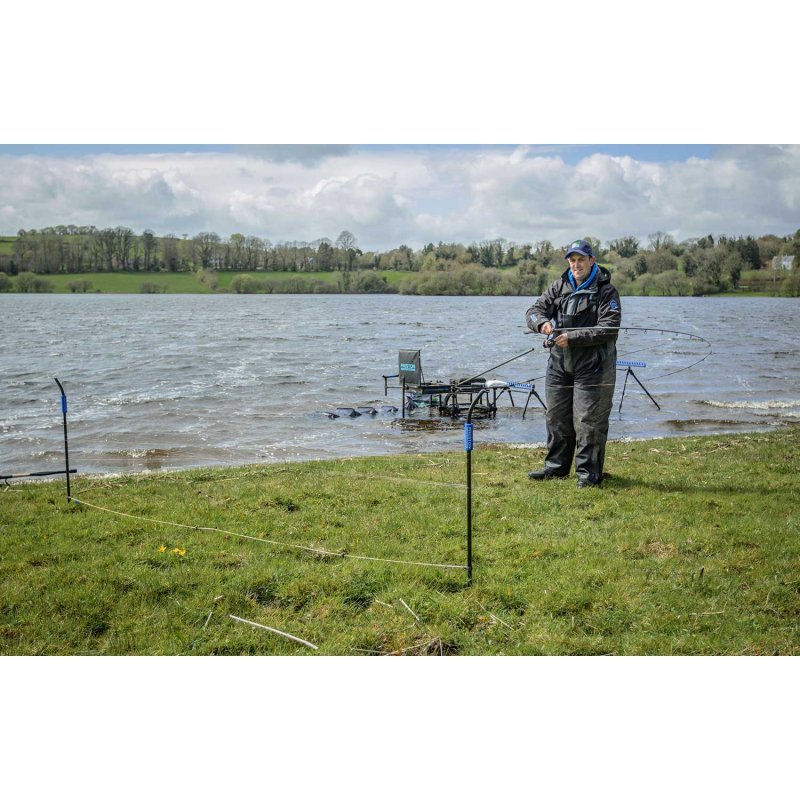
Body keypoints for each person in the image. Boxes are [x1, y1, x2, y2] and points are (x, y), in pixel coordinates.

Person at [525, 239, 621, 488]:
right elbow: (533, 311)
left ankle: (589, 475)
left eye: (581, 260)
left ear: (592, 261)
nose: (576, 265)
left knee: (588, 420)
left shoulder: (606, 291)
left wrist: (573, 337)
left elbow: (609, 328)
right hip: (559, 364)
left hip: (594, 366)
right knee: (556, 416)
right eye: (572, 260)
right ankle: (556, 468)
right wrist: (542, 324)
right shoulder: (558, 286)